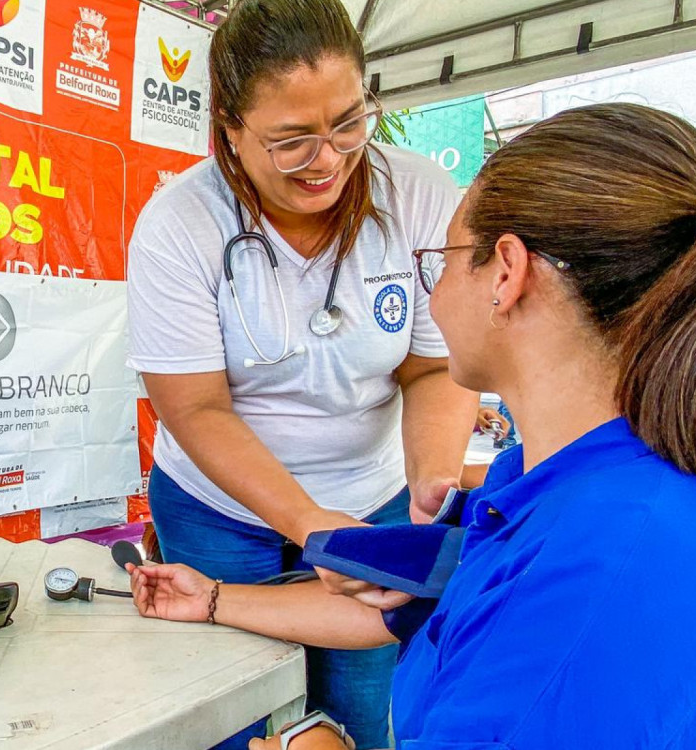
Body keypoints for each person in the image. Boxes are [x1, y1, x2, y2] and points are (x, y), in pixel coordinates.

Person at [128, 103, 696, 749]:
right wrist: (214, 598)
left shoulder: (593, 586)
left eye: (442, 259)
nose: (431, 295)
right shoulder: (552, 481)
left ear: (506, 272)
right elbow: (412, 598)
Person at [126, 0, 476, 745]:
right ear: (229, 129)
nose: (329, 160)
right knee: (234, 705)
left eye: (349, 122)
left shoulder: (415, 195)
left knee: (364, 708)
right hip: (215, 506)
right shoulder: (179, 223)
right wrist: (311, 524)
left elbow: (432, 367)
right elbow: (196, 410)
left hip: (372, 494)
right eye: (291, 141)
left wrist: (431, 484)